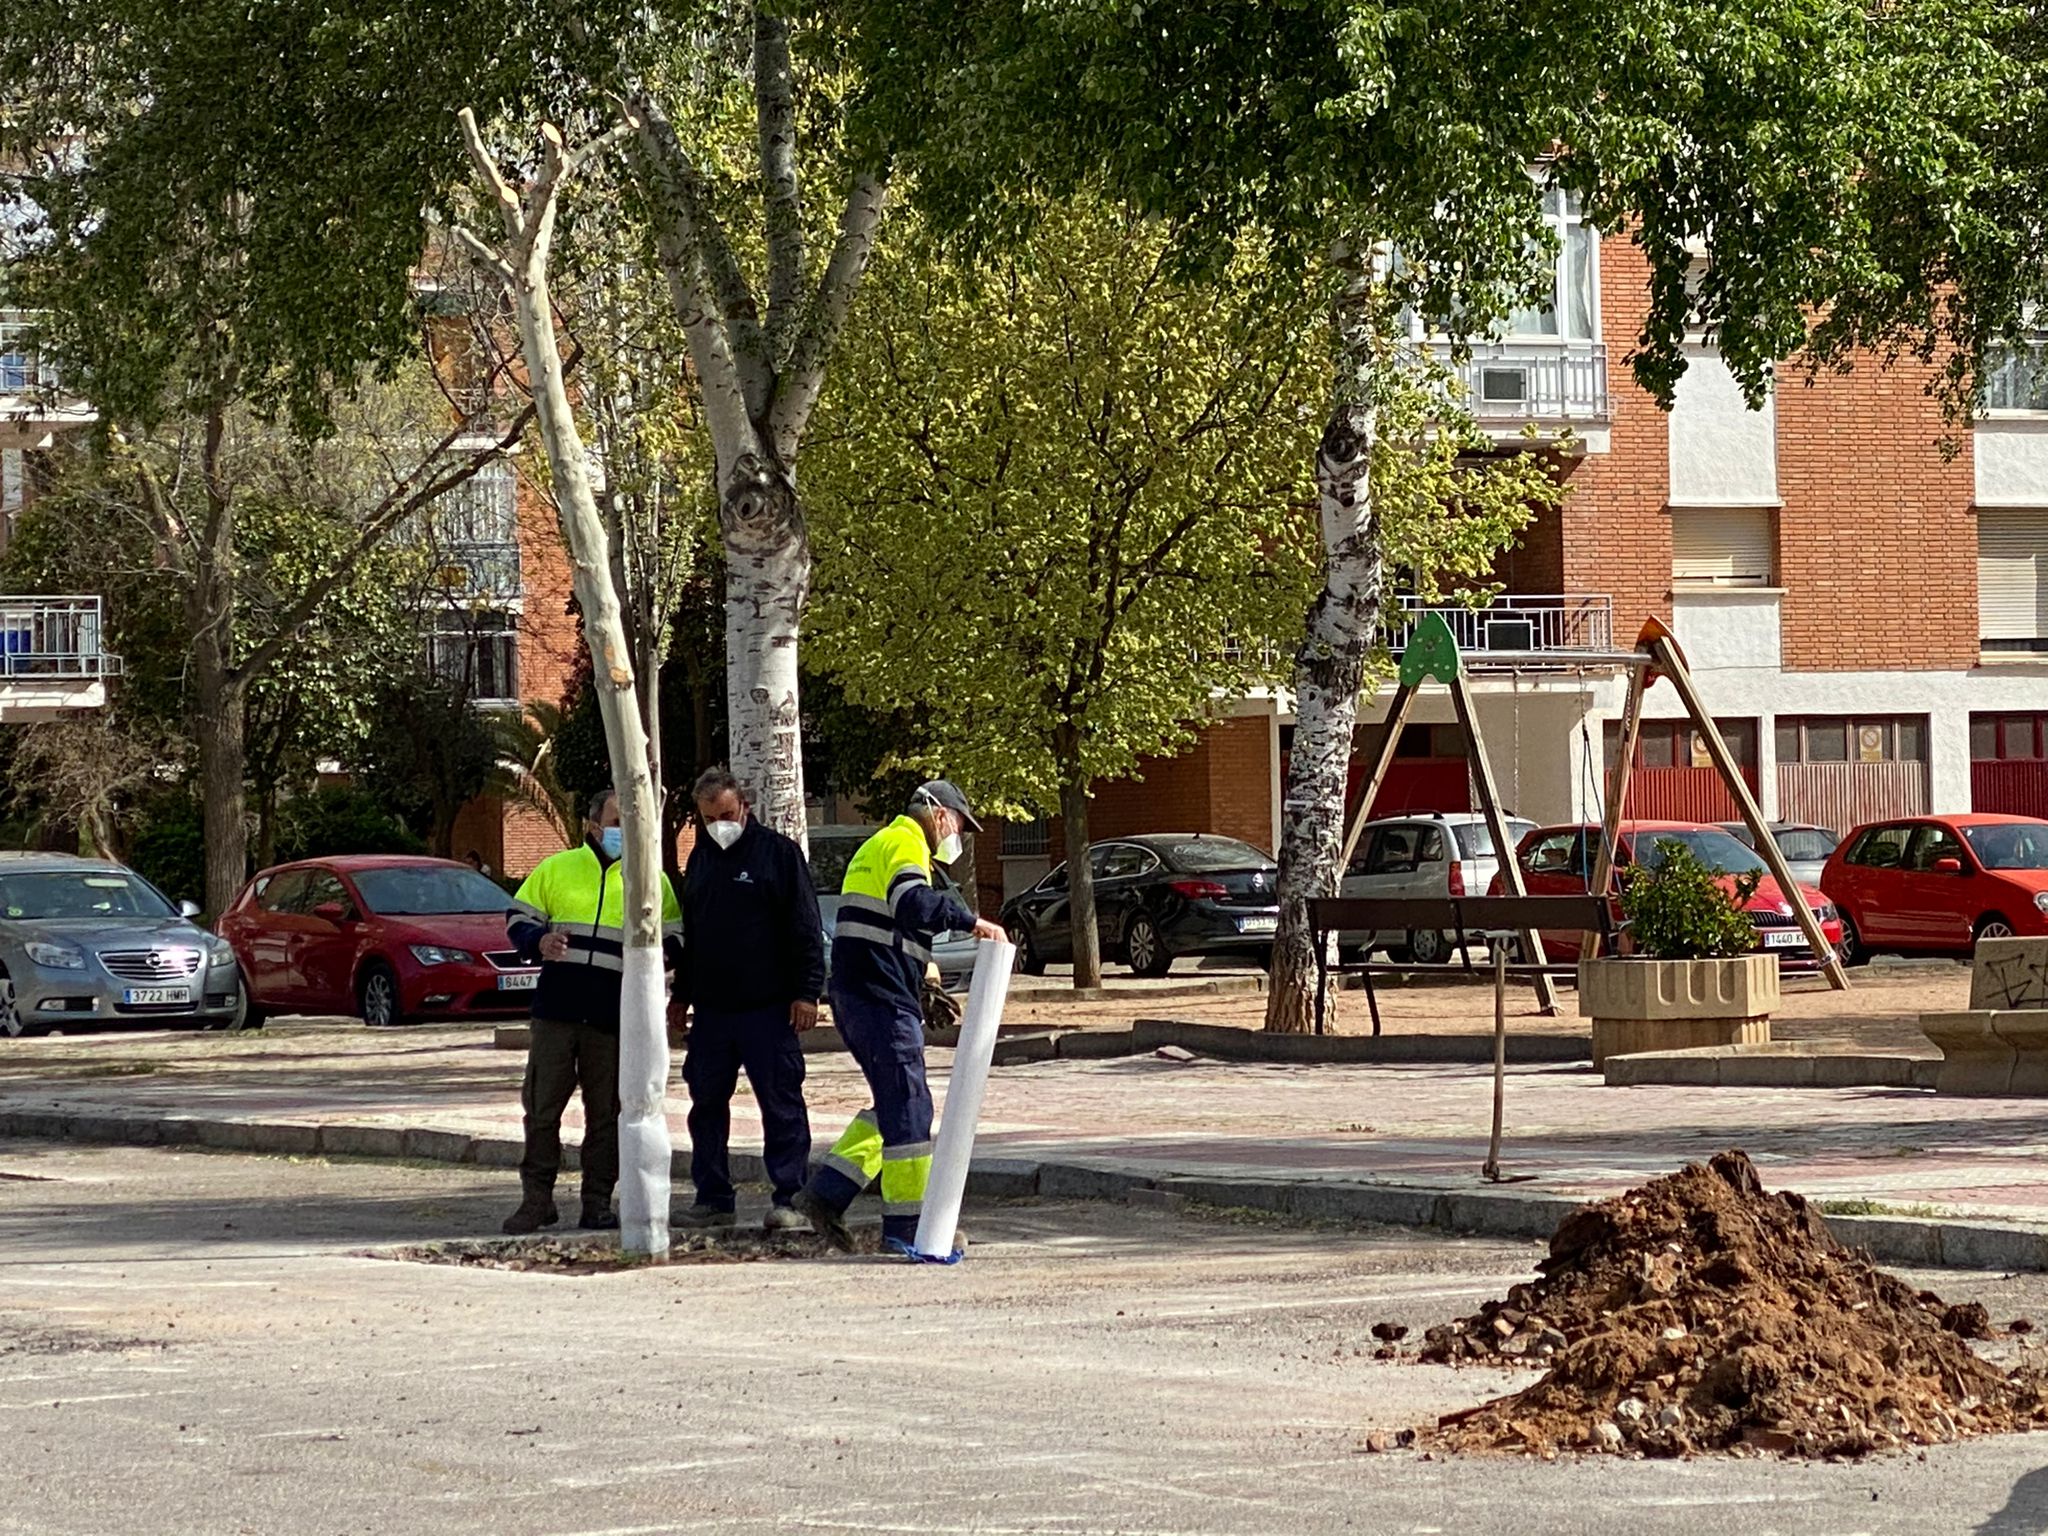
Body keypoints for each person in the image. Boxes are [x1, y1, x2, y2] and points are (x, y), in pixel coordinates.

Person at [793, 780, 1004, 1256]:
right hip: (879, 998)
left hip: (863, 993)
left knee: (895, 1101)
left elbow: (889, 925)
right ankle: (907, 1228)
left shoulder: (879, 844)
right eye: (959, 825)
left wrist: (922, 980)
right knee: (909, 1106)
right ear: (937, 813)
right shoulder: (906, 842)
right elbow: (912, 904)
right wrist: (972, 921)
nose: (959, 836)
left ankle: (827, 1193)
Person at [501, 789, 683, 1235]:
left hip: (613, 1017)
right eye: (617, 821)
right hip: (557, 1013)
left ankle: (597, 1201)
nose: (624, 830)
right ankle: (537, 1199)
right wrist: (537, 942)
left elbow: (676, 936)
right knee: (542, 1109)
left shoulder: (650, 879)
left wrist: (659, 959)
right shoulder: (556, 868)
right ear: (593, 825)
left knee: (607, 1114)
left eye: (630, 822)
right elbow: (518, 919)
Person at [672, 767, 825, 1233]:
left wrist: (806, 992)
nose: (720, 823)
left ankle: (790, 1198)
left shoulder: (778, 855)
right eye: (709, 817)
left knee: (780, 1106)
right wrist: (681, 997)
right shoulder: (700, 860)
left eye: (726, 813)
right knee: (706, 1106)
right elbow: (693, 937)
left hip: (770, 1009)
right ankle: (713, 1198)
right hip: (715, 1012)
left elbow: (804, 927)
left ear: (745, 807)